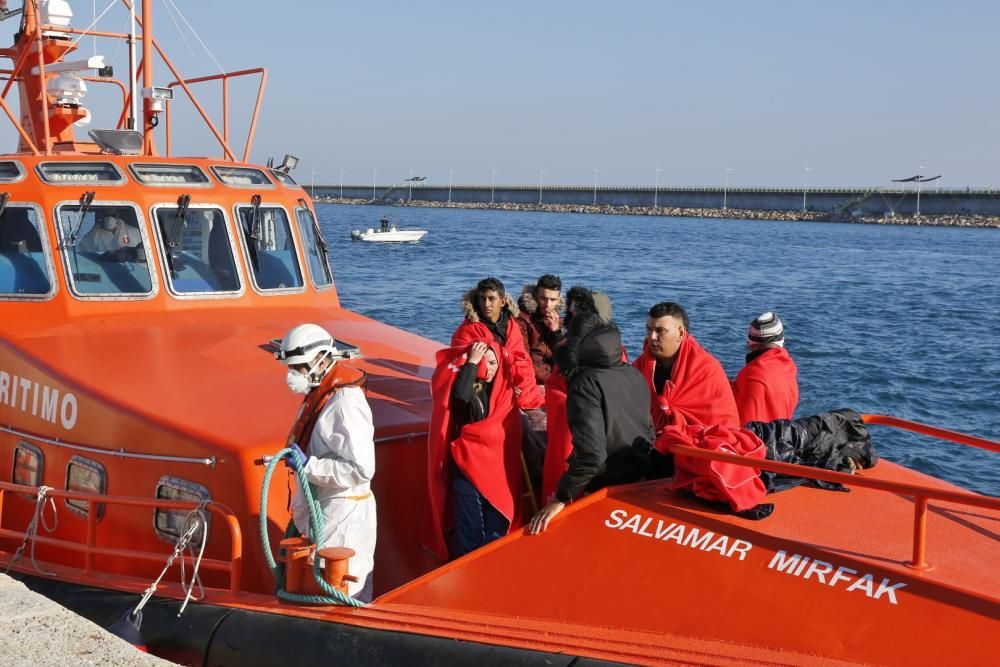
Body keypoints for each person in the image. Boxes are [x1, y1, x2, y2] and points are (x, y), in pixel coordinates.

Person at [530, 290, 654, 534]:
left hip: (605, 485)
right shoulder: (633, 373)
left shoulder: (585, 384)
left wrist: (561, 497)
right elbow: (647, 430)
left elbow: (592, 456)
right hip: (640, 481)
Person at [276, 323, 376, 602]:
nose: (292, 375)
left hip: (343, 516)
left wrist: (308, 467)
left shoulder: (345, 403)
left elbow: (361, 468)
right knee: (318, 581)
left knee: (342, 587)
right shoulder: (323, 393)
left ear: (321, 359)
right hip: (326, 510)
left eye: (298, 368)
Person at [421, 339, 524, 559]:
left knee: (496, 531)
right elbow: (459, 398)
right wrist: (471, 364)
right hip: (467, 471)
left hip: (496, 474)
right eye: (484, 363)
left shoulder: (504, 394)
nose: (489, 369)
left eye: (493, 363)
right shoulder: (469, 388)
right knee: (470, 535)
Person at [633, 302, 740, 434]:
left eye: (660, 331)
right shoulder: (638, 367)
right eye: (649, 330)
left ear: (681, 333)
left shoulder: (706, 369)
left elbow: (723, 423)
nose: (652, 337)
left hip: (697, 446)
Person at [452, 277, 543, 410]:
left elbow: (521, 359)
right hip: (484, 390)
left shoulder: (512, 325)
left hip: (514, 384)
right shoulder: (467, 330)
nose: (486, 304)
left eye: (491, 298)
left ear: (503, 301)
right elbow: (462, 367)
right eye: (482, 298)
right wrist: (504, 385)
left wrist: (517, 384)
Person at [731, 312, 799, 424]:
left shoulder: (750, 374)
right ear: (781, 340)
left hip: (756, 439)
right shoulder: (790, 369)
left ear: (751, 343)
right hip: (782, 436)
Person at [515, 274, 564, 386]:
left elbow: (564, 356)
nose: (548, 304)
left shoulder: (557, 319)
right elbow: (524, 359)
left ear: (558, 299)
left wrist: (556, 332)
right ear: (536, 296)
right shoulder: (522, 320)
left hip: (554, 378)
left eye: (553, 299)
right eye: (543, 298)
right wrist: (553, 381)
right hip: (534, 380)